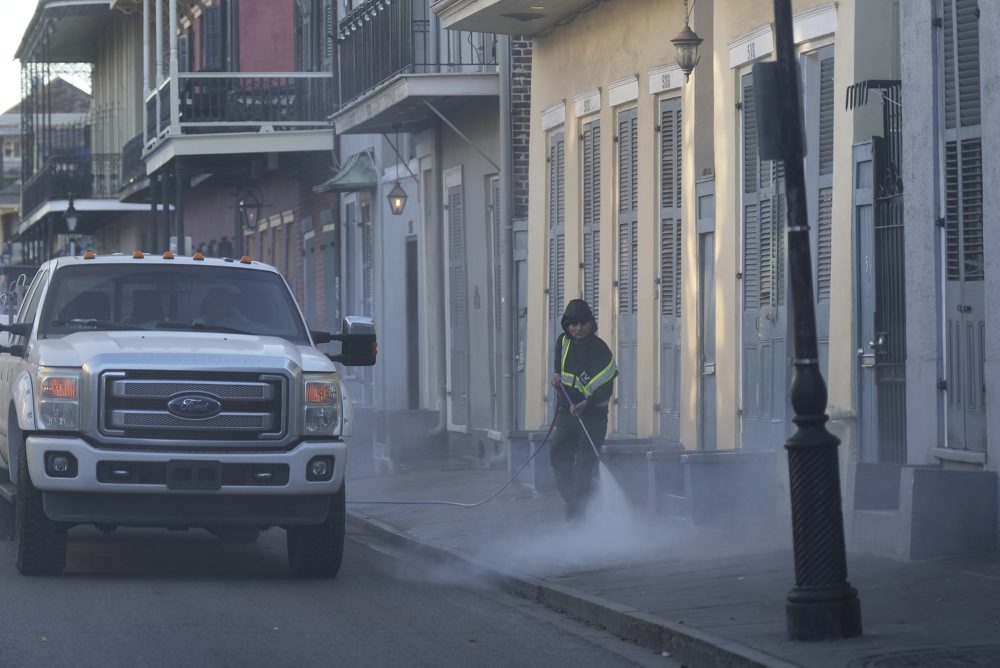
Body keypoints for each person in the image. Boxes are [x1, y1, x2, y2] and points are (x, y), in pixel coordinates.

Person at [549, 298, 618, 521]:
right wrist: (556, 377)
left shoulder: (601, 351)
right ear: (566, 326)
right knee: (558, 455)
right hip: (567, 412)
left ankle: (578, 518)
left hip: (593, 417)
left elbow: (606, 386)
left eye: (582, 323)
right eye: (573, 324)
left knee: (583, 467)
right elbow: (559, 368)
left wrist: (586, 402)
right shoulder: (563, 342)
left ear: (591, 324)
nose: (577, 328)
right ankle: (577, 501)